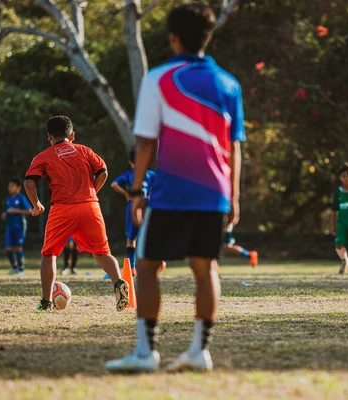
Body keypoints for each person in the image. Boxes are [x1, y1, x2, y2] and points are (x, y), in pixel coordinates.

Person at [106, 2, 245, 373]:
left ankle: (145, 352)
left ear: (173, 38)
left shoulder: (158, 79)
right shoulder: (230, 83)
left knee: (148, 265)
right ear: (208, 36)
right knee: (206, 267)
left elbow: (146, 143)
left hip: (170, 192)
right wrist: (233, 196)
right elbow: (235, 148)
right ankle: (200, 351)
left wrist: (136, 192)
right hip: (214, 192)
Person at [24, 115, 129, 311]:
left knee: (49, 254)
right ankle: (118, 282)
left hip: (63, 209)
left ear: (49, 137)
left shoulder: (44, 156)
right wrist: (91, 193)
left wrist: (37, 204)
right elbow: (103, 171)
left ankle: (46, 302)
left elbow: (29, 182)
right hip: (91, 206)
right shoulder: (84, 150)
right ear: (72, 135)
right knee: (103, 252)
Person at [110, 147, 155, 277]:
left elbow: (114, 184)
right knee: (147, 236)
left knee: (131, 238)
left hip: (132, 205)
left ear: (130, 161)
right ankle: (148, 265)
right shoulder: (151, 174)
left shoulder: (129, 174)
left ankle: (132, 267)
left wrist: (126, 194)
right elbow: (161, 186)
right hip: (147, 206)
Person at [1, 178, 32, 276]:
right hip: (10, 226)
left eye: (12, 186)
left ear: (18, 188)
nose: (10, 188)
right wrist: (6, 213)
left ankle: (21, 269)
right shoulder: (9, 199)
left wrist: (16, 211)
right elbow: (10, 210)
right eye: (9, 186)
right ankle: (13, 267)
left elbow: (29, 210)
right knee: (8, 248)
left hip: (20, 226)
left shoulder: (21, 198)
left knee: (18, 247)